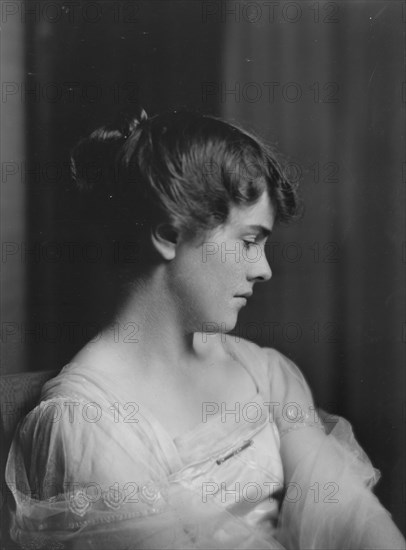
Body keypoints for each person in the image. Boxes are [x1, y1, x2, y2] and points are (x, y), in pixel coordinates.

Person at [5, 110, 405, 550]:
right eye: (250, 241)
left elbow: (346, 512)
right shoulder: (85, 422)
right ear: (168, 234)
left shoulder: (260, 371)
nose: (264, 269)